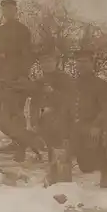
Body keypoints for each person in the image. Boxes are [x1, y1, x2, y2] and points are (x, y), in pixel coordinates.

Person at [0, 0, 37, 159]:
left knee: (16, 112)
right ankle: (16, 140)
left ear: (16, 11)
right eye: (4, 10)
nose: (6, 13)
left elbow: (27, 55)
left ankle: (21, 148)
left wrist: (22, 75)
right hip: (2, 77)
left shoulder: (22, 30)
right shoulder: (1, 30)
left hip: (17, 77)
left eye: (10, 9)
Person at [29, 43, 74, 184]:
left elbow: (70, 101)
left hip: (63, 118)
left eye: (49, 61)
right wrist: (34, 122)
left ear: (56, 62)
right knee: (49, 146)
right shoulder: (39, 82)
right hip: (45, 120)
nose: (46, 64)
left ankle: (63, 177)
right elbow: (34, 104)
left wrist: (53, 93)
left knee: (60, 146)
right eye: (43, 62)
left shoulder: (65, 79)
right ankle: (53, 172)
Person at [68, 49, 107, 188]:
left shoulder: (101, 85)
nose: (81, 65)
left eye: (85, 62)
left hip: (93, 126)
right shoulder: (72, 84)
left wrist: (97, 125)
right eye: (79, 62)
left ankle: (106, 173)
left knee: (99, 138)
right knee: (86, 167)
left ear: (92, 63)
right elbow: (66, 108)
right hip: (76, 127)